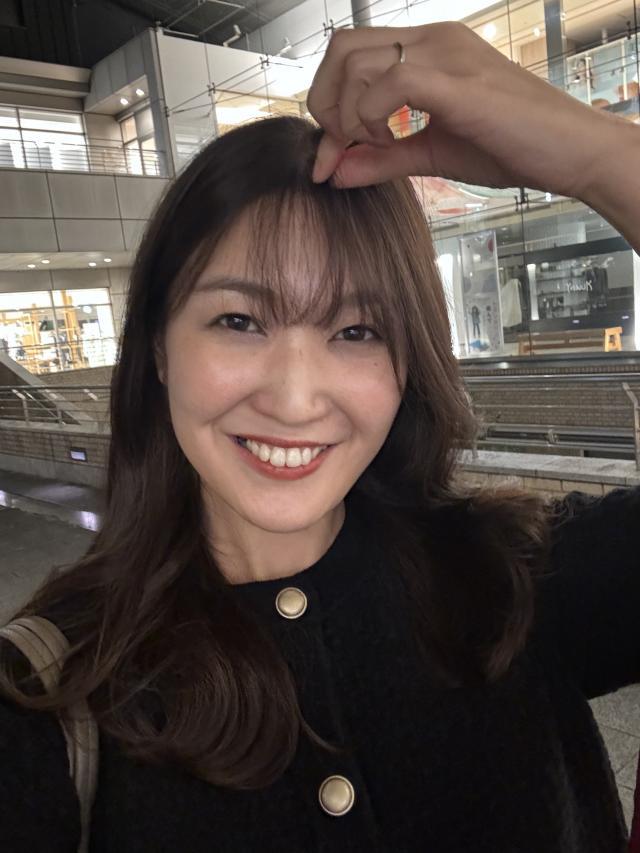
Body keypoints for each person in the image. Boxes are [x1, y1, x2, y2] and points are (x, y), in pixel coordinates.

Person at [0, 22, 639, 853]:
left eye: (356, 331)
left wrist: (597, 157)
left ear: (408, 361)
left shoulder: (513, 579)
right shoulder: (48, 696)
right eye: (239, 320)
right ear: (157, 345)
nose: (296, 399)